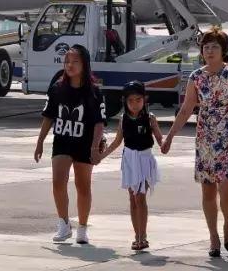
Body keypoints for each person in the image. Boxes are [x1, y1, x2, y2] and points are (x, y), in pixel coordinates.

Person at [162, 28, 228, 258]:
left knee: (227, 188)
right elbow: (185, 109)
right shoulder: (196, 77)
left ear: (224, 51)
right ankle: (213, 236)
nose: (209, 51)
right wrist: (170, 136)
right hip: (205, 139)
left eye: (215, 47)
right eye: (206, 47)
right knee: (208, 190)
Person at [34, 44, 105, 245]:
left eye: (75, 61)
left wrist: (94, 147)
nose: (70, 65)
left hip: (84, 144)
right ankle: (63, 224)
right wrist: (39, 143)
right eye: (67, 61)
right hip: (62, 141)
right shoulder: (57, 88)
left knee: (83, 186)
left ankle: (82, 227)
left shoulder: (94, 92)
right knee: (58, 182)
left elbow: (99, 123)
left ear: (84, 64)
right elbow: (48, 117)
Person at [101, 81, 163, 251]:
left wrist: (166, 143)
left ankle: (143, 237)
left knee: (140, 198)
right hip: (128, 159)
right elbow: (116, 142)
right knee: (132, 199)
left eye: (138, 100)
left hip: (144, 159)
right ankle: (137, 236)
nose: (135, 104)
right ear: (125, 101)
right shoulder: (123, 119)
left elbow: (160, 139)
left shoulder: (150, 119)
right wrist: (101, 156)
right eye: (131, 101)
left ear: (145, 99)